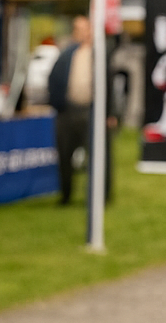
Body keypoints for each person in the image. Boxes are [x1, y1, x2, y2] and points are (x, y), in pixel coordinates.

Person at [46, 15, 117, 205]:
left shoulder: (100, 54)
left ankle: (100, 196)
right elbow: (53, 79)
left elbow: (109, 84)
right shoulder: (67, 54)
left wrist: (110, 113)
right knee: (65, 155)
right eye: (77, 28)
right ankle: (66, 195)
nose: (81, 32)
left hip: (92, 112)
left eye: (84, 28)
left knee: (98, 156)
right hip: (67, 111)